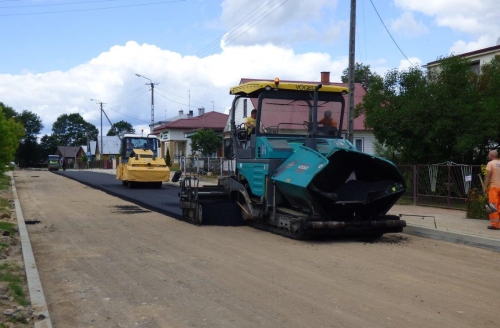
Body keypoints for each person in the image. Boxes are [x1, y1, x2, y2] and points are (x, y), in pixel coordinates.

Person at [484, 150, 500, 230]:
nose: (488, 156)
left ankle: (495, 224)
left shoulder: (490, 164)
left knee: (493, 206)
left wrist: (484, 187)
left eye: (489, 154)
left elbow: (488, 176)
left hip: (494, 187)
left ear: (492, 155)